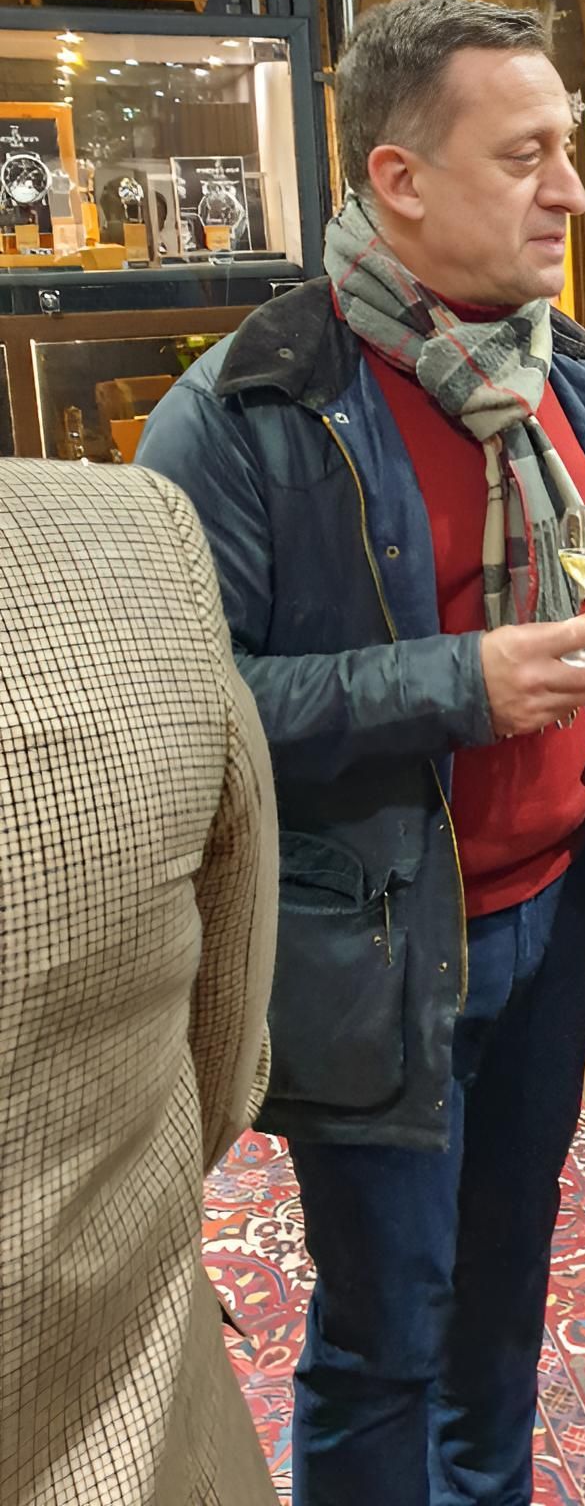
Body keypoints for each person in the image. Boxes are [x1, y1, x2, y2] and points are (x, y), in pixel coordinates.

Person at [138, 0, 585, 1506]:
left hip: (554, 919)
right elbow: (193, 711)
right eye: (526, 157)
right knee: (387, 1329)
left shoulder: (551, 364)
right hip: (371, 945)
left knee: (505, 1292)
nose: (570, 190)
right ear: (399, 179)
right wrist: (456, 683)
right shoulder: (243, 412)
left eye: (567, 148)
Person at [0, 459, 276, 1506]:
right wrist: (454, 681)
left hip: (548, 908)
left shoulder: (558, 384)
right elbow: (223, 1061)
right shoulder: (140, 523)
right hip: (137, 1443)